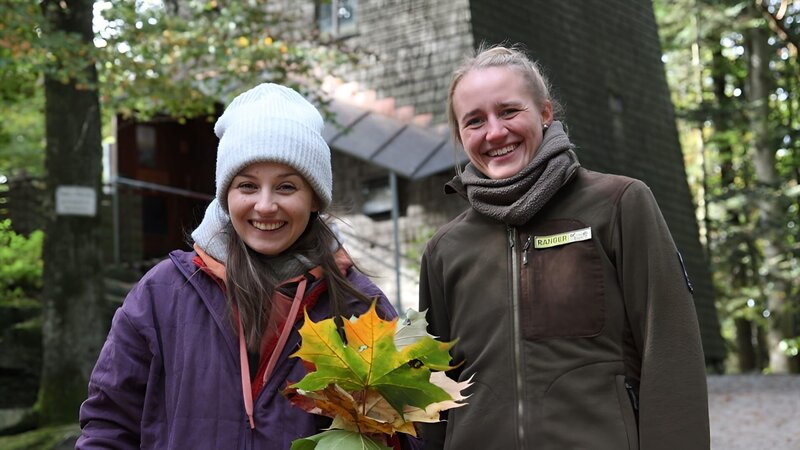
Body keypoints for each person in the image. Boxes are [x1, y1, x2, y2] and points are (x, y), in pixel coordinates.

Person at [77, 83, 416, 449]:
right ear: (226, 196)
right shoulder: (162, 294)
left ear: (315, 197)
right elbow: (110, 423)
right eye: (248, 186)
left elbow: (402, 432)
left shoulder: (357, 306)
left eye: (286, 187)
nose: (265, 205)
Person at [418, 45, 710, 449]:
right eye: (474, 121)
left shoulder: (620, 204)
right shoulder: (445, 249)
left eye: (509, 111)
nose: (495, 132)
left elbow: (670, 350)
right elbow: (434, 389)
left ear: (545, 112)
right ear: (460, 135)